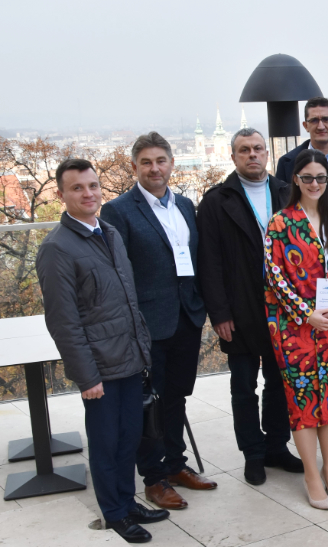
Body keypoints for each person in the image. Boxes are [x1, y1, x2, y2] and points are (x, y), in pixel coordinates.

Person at [37, 159, 169, 543]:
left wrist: (142, 352)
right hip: (99, 369)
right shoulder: (56, 249)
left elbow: (127, 300)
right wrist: (87, 376)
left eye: (92, 185)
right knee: (107, 444)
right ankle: (114, 514)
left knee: (129, 439)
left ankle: (128, 503)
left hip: (129, 359)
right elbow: (63, 322)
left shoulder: (109, 232)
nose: (88, 193)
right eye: (77, 188)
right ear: (61, 194)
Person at [101, 132, 217, 511]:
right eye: (146, 162)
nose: (155, 168)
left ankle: (176, 465)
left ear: (171, 164)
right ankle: (154, 479)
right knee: (149, 403)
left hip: (186, 318)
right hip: (147, 324)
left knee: (176, 397)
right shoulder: (119, 210)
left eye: (161, 161)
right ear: (135, 167)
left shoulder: (184, 204)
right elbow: (118, 272)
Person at [197, 127, 303, 486]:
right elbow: (208, 262)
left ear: (267, 154)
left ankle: (276, 446)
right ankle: (253, 454)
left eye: (258, 148)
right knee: (243, 387)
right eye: (244, 150)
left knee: (279, 382)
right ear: (233, 157)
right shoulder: (216, 201)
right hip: (239, 309)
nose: (253, 155)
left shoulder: (287, 193)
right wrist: (219, 313)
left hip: (283, 309)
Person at [264, 149, 328, 509]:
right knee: (303, 401)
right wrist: (307, 315)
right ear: (296, 180)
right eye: (308, 178)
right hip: (295, 328)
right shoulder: (280, 223)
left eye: (321, 177)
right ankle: (310, 475)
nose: (315, 184)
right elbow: (275, 276)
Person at [275, 97, 328, 184]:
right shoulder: (287, 163)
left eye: (326, 119)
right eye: (314, 120)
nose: (321, 127)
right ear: (305, 126)